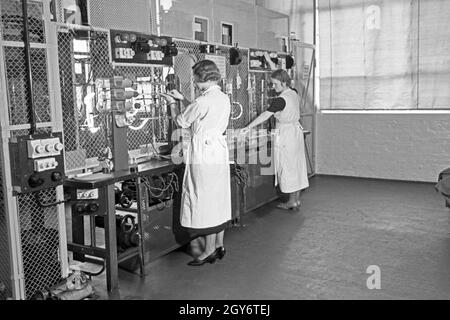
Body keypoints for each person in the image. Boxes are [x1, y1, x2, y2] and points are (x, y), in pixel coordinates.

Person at [160, 60, 231, 266]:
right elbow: (200, 111)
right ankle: (218, 245)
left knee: (205, 200)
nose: (193, 80)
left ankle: (208, 251)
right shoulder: (221, 97)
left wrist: (172, 104)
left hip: (203, 152)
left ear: (201, 78)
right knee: (218, 198)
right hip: (217, 150)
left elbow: (181, 121)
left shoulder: (202, 101)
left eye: (194, 78)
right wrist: (183, 99)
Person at [240, 66, 309, 210]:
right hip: (295, 133)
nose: (273, 86)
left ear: (284, 83)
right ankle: (295, 200)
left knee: (287, 167)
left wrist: (248, 127)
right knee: (296, 166)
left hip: (286, 134)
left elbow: (266, 115)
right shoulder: (293, 93)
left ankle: (291, 201)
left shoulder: (281, 99)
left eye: (275, 84)